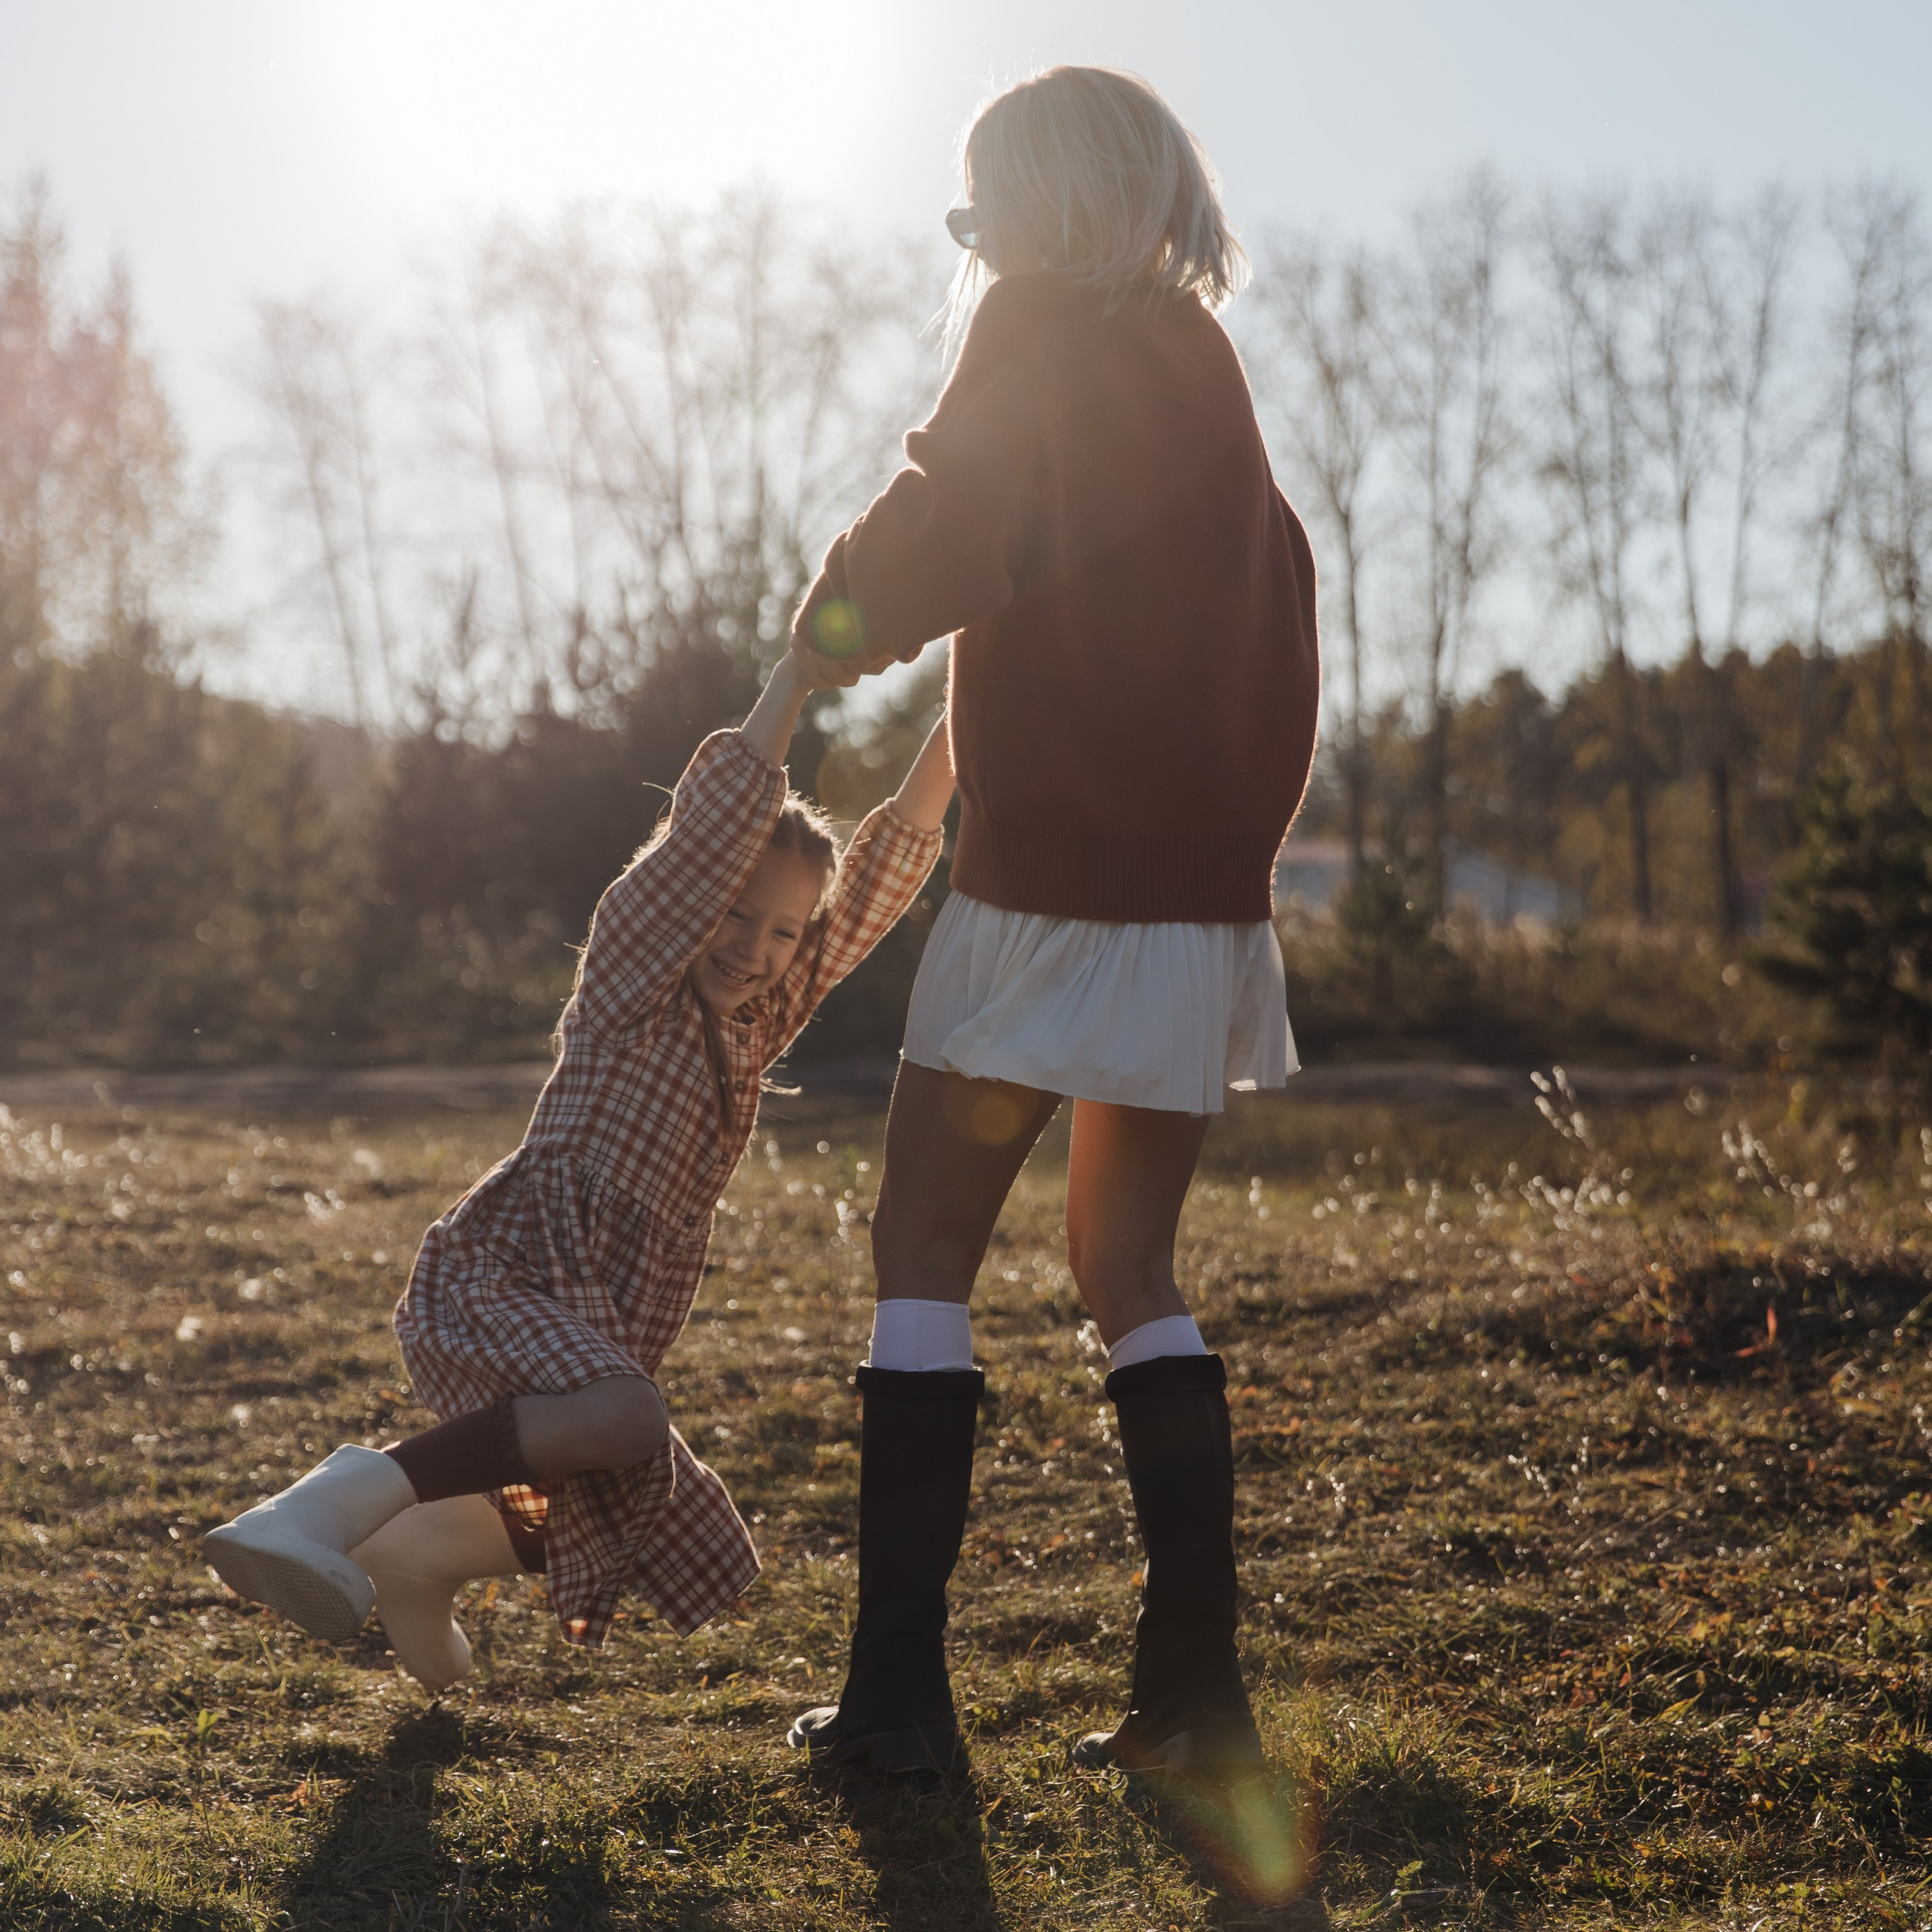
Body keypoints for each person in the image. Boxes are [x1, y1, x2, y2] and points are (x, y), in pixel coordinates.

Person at [783, 66, 1321, 1779]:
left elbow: (943, 539)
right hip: (1193, 914)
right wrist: (944, 776)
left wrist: (805, 653)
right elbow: (1116, 615)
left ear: (1037, 210)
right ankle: (1190, 1697)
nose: (970, 245)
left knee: (919, 1257)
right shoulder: (1199, 373)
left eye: (974, 211)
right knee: (1128, 1271)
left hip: (1046, 911)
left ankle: (893, 1700)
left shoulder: (1035, 335)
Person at [204, 656, 952, 1690]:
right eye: (735, 915)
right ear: (694, 903)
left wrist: (974, 706)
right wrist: (797, 673)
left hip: (600, 1316)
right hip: (510, 1271)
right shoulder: (631, 982)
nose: (754, 948)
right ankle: (340, 1497)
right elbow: (701, 844)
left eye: (783, 933)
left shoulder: (754, 1025)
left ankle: (414, 1559)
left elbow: (878, 880)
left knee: (637, 1504)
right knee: (630, 1425)